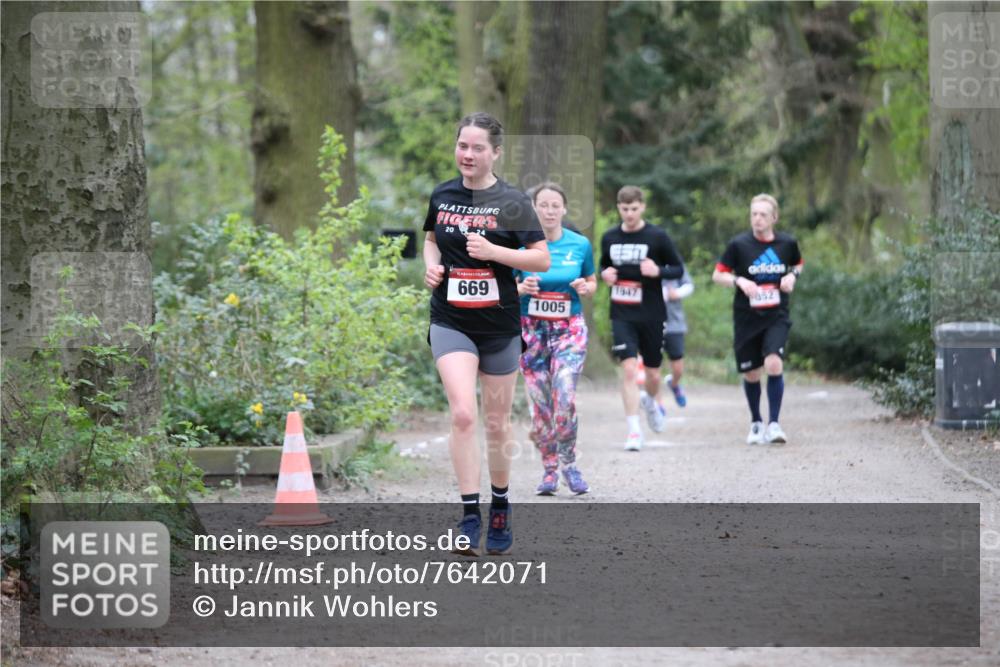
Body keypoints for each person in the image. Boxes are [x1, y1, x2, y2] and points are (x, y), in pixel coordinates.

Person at [423, 112, 550, 555]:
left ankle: (500, 505)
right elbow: (431, 238)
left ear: (495, 152)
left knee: (496, 423)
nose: (468, 154)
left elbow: (541, 259)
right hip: (451, 320)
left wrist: (496, 251)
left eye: (478, 147)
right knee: (463, 414)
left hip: (498, 325)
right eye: (462, 145)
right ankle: (469, 514)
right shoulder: (443, 195)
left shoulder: (514, 202)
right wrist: (431, 268)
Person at [515, 182, 597, 495]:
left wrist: (586, 289)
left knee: (564, 397)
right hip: (531, 332)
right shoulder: (520, 248)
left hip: (568, 330)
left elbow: (591, 282)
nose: (549, 211)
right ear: (534, 210)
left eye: (555, 205)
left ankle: (570, 464)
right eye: (543, 205)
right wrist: (521, 289)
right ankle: (549, 471)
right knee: (540, 408)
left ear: (563, 209)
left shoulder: (579, 245)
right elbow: (505, 289)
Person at [712, 193, 803, 445]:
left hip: (777, 315)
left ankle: (774, 424)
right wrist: (739, 280)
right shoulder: (738, 245)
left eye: (763, 214)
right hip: (746, 317)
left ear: (774, 218)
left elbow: (798, 263)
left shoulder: (787, 244)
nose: (757, 219)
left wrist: (792, 276)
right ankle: (756, 422)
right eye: (753, 214)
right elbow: (717, 275)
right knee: (752, 372)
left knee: (774, 363)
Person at [599, 186, 685, 451]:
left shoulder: (657, 236)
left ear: (642, 207)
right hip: (622, 312)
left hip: (651, 313)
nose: (629, 214)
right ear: (618, 208)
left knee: (653, 375)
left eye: (634, 209)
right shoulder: (610, 237)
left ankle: (649, 400)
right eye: (624, 209)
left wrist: (657, 270)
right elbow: (604, 264)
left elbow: (677, 268)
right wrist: (605, 274)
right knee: (628, 369)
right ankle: (634, 430)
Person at [661, 269, 693, 407]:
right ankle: (657, 405)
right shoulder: (645, 261)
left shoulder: (674, 263)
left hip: (674, 324)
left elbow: (689, 285)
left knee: (678, 369)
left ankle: (673, 384)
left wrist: (676, 293)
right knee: (652, 368)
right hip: (651, 323)